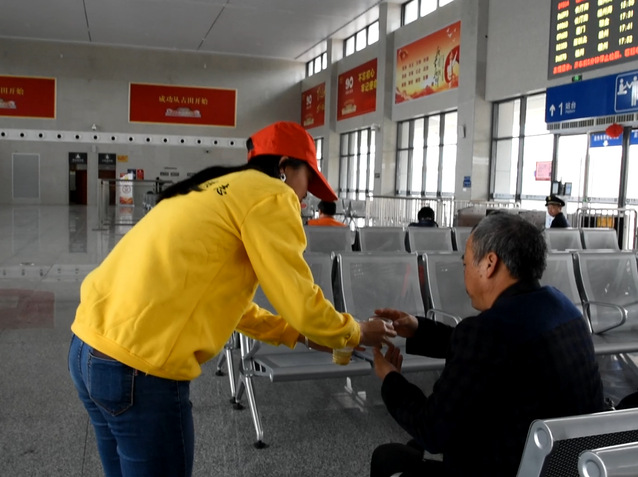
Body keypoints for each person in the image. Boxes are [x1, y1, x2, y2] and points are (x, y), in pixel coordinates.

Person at [68, 121, 395, 477]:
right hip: (138, 368)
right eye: (307, 181)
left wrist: (296, 334)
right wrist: (356, 331)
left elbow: (223, 303)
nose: (306, 197)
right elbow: (300, 301)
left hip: (88, 348)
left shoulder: (215, 188)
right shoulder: (272, 194)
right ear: (284, 168)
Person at [370, 213, 606, 477]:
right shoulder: (564, 309)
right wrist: (418, 329)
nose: (465, 273)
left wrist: (390, 378)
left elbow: (431, 430)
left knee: (388, 457)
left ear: (490, 263)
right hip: (567, 466)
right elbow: (494, 353)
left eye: (466, 264)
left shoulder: (487, 333)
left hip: (501, 466)